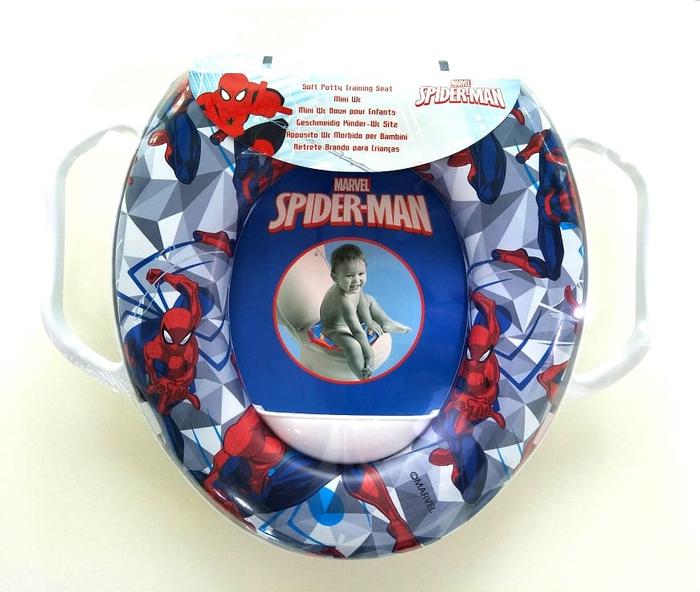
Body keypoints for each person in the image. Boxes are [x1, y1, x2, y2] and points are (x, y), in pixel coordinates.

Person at [319, 244, 410, 380]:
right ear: (335, 277)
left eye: (361, 274)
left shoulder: (353, 287)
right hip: (334, 329)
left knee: (369, 299)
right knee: (354, 346)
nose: (356, 280)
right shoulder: (343, 300)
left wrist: (369, 322)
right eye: (349, 275)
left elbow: (361, 302)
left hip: (347, 319)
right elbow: (357, 331)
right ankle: (362, 375)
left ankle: (387, 322)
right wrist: (369, 356)